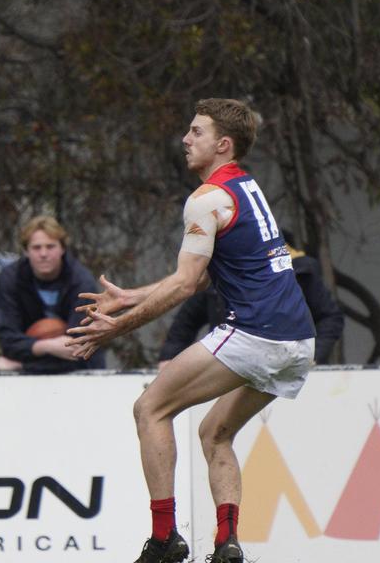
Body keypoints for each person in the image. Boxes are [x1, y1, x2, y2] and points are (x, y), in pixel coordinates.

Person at [68, 99, 315, 563]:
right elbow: (199, 276)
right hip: (298, 341)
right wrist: (130, 296)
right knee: (214, 433)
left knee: (150, 409)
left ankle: (165, 540)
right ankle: (228, 544)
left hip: (256, 334)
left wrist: (115, 328)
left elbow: (184, 286)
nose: (186, 138)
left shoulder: (205, 199)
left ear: (223, 144)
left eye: (197, 132)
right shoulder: (244, 187)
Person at [158, 236, 343, 368]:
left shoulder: (298, 271)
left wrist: (313, 356)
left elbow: (330, 317)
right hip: (231, 368)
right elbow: (186, 323)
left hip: (286, 368)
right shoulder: (219, 273)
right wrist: (169, 359)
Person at [0, 215, 105, 373]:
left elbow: (79, 347)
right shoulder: (11, 279)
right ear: (26, 251)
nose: (43, 253)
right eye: (36, 247)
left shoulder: (81, 282)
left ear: (62, 249)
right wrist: (45, 346)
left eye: (50, 246)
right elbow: (8, 340)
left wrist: (23, 365)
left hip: (80, 371)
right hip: (28, 370)